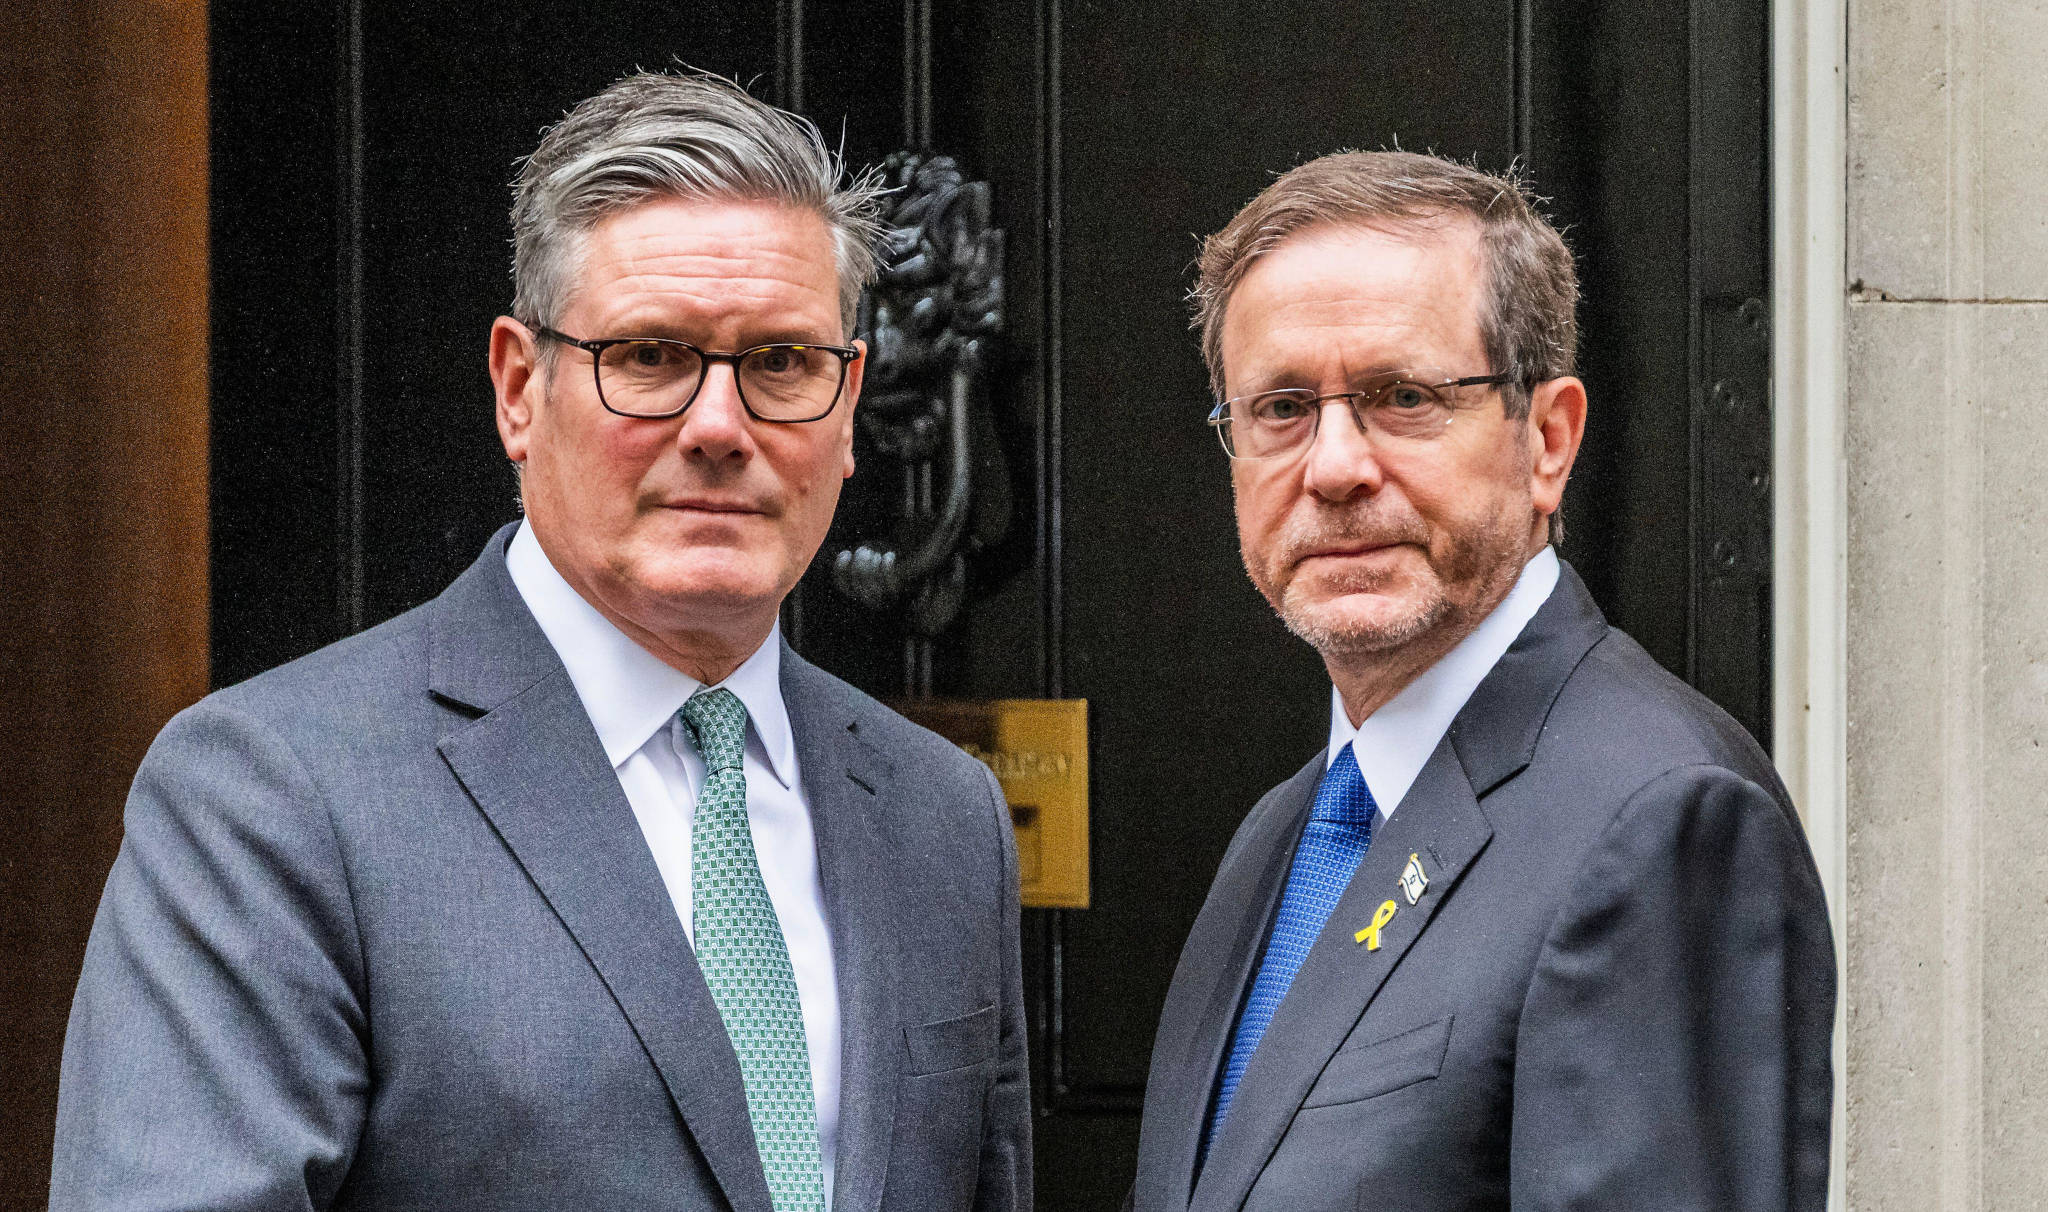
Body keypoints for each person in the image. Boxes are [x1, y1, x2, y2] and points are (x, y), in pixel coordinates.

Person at [53, 71, 1029, 1212]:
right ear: (520, 389)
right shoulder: (273, 795)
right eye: (651, 356)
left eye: (779, 363)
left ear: (847, 402)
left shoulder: (940, 815)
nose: (720, 427)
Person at [1128, 151, 1833, 1212]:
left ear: (1546, 442)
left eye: (1401, 396)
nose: (1331, 467)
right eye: (1278, 408)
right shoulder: (1284, 836)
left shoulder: (1661, 820)